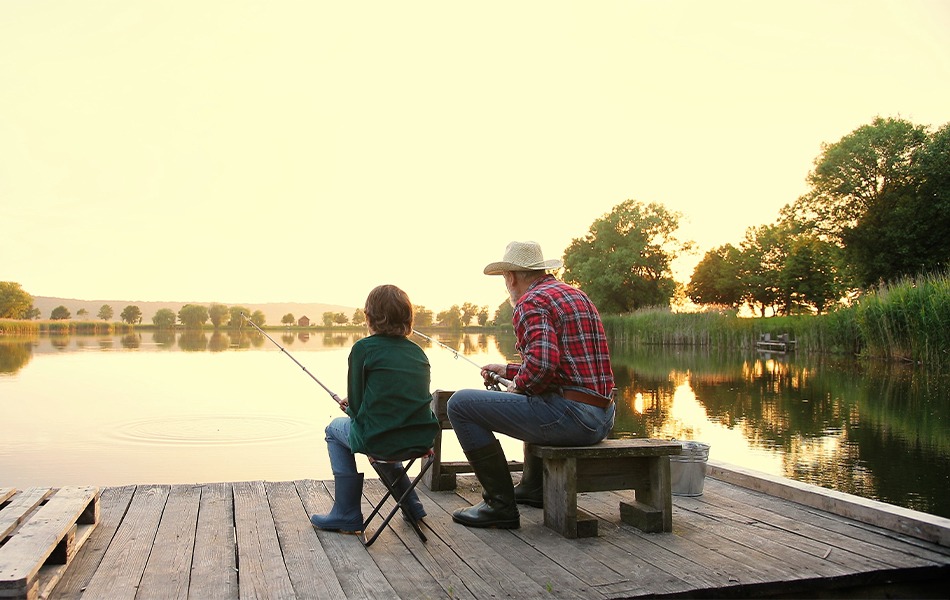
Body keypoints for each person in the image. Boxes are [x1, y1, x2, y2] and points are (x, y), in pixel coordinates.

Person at [447, 241, 615, 529]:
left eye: (504, 279)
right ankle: (533, 487)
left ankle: (499, 505)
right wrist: (510, 370)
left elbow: (541, 368)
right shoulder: (576, 295)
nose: (506, 285)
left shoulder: (530, 302)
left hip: (574, 419)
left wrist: (517, 386)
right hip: (603, 417)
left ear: (511, 276)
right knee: (535, 395)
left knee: (460, 405)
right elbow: (559, 368)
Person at [310, 284, 439, 533]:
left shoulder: (363, 349)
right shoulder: (418, 352)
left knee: (333, 430)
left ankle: (346, 513)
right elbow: (404, 400)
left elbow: (357, 409)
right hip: (421, 440)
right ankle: (412, 505)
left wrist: (349, 408)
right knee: (387, 432)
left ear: (369, 316)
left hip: (380, 440)